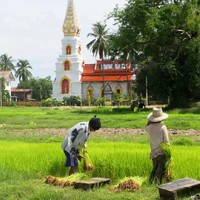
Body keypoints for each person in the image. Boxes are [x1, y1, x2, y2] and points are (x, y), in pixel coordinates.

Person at [146, 107, 170, 185]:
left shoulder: (149, 128)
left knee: (155, 167)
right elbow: (166, 140)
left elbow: (147, 125)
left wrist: (150, 121)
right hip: (161, 152)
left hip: (153, 152)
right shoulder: (163, 127)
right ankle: (157, 183)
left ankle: (151, 181)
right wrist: (168, 150)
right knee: (160, 168)